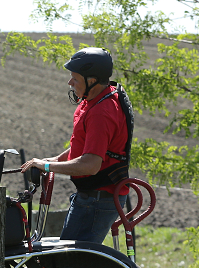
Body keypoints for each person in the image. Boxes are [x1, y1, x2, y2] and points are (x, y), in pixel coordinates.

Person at [21, 47, 132, 243]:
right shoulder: (93, 99)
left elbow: (90, 164)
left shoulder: (101, 112)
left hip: (98, 200)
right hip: (91, 197)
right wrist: (55, 160)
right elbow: (83, 146)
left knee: (72, 264)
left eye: (75, 78)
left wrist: (46, 166)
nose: (70, 82)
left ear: (92, 81)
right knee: (70, 259)